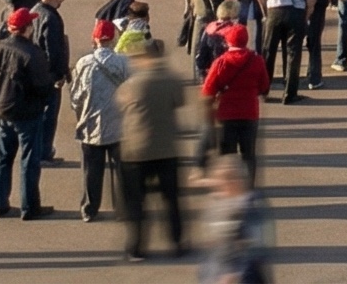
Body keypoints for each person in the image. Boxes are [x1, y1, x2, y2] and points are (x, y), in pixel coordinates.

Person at [113, 39, 190, 261]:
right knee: (172, 200)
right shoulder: (172, 81)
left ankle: (135, 247)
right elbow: (179, 102)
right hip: (166, 148)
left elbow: (121, 105)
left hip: (135, 150)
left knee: (136, 202)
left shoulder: (131, 85)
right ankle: (177, 243)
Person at [0, 8, 55, 219]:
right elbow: (43, 86)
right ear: (27, 29)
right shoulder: (32, 54)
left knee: (4, 158)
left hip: (2, 110)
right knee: (29, 161)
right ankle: (30, 207)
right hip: (27, 113)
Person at [66, 19, 131, 224]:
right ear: (114, 39)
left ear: (95, 39)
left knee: (91, 172)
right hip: (118, 124)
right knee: (122, 171)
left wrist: (80, 112)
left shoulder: (84, 63)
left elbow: (75, 96)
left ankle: (89, 209)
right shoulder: (123, 62)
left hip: (90, 125)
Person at [200, 24, 269, 181]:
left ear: (228, 41)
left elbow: (208, 90)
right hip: (250, 113)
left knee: (227, 157)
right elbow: (264, 87)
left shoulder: (221, 62)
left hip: (226, 115)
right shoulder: (257, 60)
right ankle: (249, 188)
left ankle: (230, 188)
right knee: (249, 155)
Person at [198, 156, 273, 284]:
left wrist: (235, 274)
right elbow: (213, 247)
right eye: (224, 178)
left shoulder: (251, 206)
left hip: (244, 276)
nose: (230, 182)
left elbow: (257, 247)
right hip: (217, 272)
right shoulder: (215, 206)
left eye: (233, 176)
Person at [27, 0, 76, 165]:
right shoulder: (51, 17)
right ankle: (44, 153)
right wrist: (61, 74)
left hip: (35, 73)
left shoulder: (34, 12)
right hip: (49, 76)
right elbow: (53, 49)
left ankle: (38, 151)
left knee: (39, 115)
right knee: (49, 116)